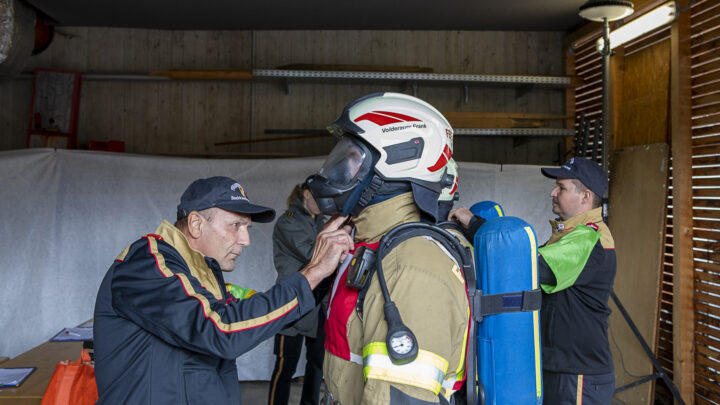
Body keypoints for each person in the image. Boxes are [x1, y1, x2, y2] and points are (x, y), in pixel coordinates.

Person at [93, 176, 353, 404]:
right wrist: (313, 271)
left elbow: (250, 317)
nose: (246, 240)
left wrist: (325, 275)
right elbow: (221, 329)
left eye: (247, 228)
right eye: (235, 225)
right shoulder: (148, 263)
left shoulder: (201, 272)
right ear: (196, 224)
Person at [307, 92, 469, 404]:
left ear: (399, 160)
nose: (338, 168)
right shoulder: (375, 247)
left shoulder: (413, 266)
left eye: (352, 157)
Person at [537, 156, 616, 404]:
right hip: (563, 366)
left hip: (579, 372)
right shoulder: (568, 235)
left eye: (561, 188)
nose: (552, 192)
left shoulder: (587, 239)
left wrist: (480, 229)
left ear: (585, 196)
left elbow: (533, 268)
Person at [268, 180, 328, 405]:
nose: (323, 202)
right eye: (318, 197)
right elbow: (313, 254)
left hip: (318, 303)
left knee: (316, 365)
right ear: (306, 194)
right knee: (285, 366)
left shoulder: (321, 222)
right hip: (291, 302)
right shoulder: (288, 221)